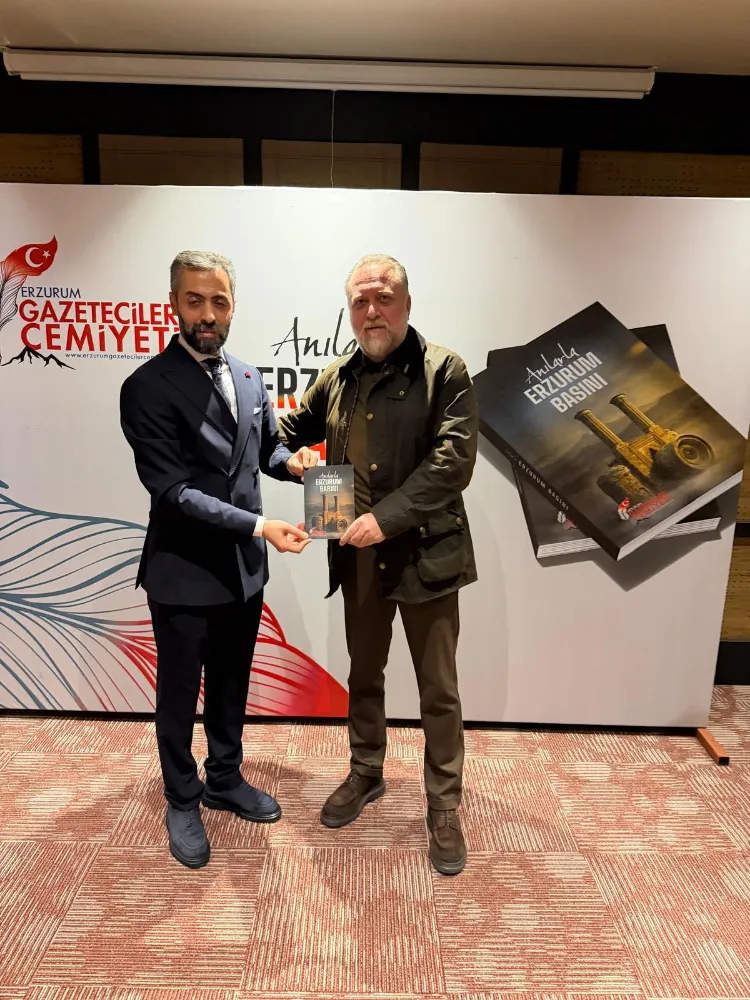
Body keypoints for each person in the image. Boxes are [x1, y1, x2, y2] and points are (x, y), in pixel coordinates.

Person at [279, 253, 478, 875]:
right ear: (350, 311)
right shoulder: (336, 378)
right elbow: (287, 432)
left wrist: (386, 518)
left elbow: (453, 462)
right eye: (360, 301)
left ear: (406, 304)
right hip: (357, 561)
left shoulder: (445, 369)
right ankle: (366, 771)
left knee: (438, 690)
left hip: (427, 556)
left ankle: (443, 805)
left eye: (383, 298)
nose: (372, 311)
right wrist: (292, 459)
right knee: (364, 675)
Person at [120, 250, 317, 870]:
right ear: (174, 304)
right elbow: (175, 493)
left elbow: (265, 451)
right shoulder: (146, 387)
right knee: (180, 694)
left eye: (219, 301)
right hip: (182, 572)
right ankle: (182, 798)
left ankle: (225, 778)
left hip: (243, 573)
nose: (207, 313)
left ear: (232, 308)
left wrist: (294, 465)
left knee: (232, 683)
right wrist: (261, 526)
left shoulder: (249, 376)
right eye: (195, 300)